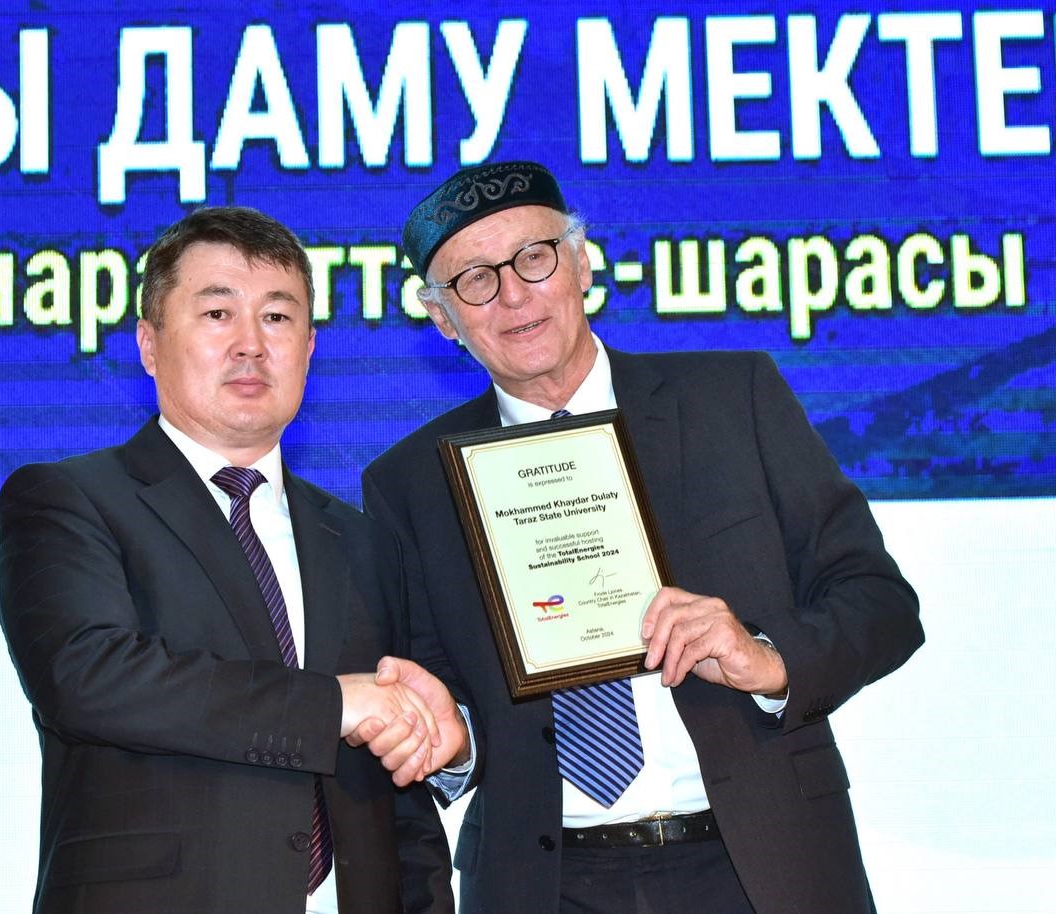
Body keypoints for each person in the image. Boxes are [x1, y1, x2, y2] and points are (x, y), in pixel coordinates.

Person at [362, 161, 924, 914]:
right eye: (474, 280)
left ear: (581, 264)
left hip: (761, 862)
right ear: (441, 318)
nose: (514, 295)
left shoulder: (733, 399)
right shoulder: (410, 483)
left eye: (534, 258)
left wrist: (768, 659)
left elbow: (880, 603)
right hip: (545, 884)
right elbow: (442, 692)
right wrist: (452, 737)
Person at [0, 206, 463, 914]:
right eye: (218, 314)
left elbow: (399, 795)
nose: (251, 344)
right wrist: (336, 703)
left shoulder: (362, 541)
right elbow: (87, 678)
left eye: (277, 318)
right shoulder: (69, 499)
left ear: (310, 347)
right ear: (149, 344)